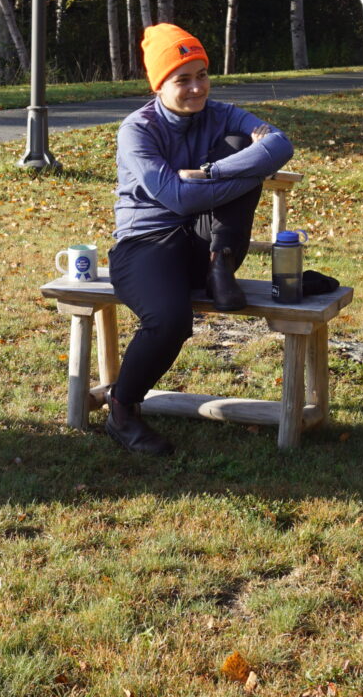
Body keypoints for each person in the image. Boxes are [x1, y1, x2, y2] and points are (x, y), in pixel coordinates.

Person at [104, 23, 294, 456]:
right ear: (159, 85)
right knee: (170, 320)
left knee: (236, 146)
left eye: (202, 74)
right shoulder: (138, 129)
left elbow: (281, 144)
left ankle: (221, 264)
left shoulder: (224, 116)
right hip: (146, 242)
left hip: (204, 241)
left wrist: (213, 171)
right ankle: (121, 409)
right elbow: (174, 196)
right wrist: (250, 174)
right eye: (182, 79)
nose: (196, 88)